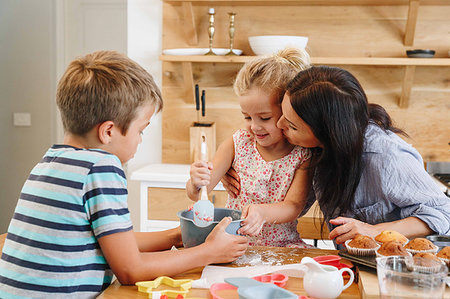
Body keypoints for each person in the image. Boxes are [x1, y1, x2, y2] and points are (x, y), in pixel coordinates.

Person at [0, 51, 248, 299]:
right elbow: (130, 269)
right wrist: (209, 252)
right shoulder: (101, 167)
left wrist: (179, 236)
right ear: (108, 131)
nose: (140, 140)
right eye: (141, 131)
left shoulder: (49, 163)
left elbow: (114, 241)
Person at [223, 65, 450, 245]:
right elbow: (292, 203)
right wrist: (233, 168)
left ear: (326, 132)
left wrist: (372, 231)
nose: (280, 125)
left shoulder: (386, 156)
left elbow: (443, 212)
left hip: (397, 268)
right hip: (355, 263)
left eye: (291, 125)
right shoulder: (316, 150)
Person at [186, 48, 313, 247]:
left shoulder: (302, 154)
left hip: (282, 245)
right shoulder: (236, 144)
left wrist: (262, 213)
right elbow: (199, 193)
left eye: (264, 118)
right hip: (233, 243)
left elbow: (293, 206)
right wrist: (196, 182)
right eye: (247, 117)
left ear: (289, 111)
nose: (254, 126)